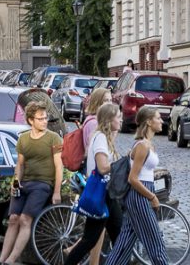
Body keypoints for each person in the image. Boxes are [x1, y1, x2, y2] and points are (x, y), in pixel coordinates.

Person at [0, 101, 63, 265]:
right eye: (40, 118)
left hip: (42, 184)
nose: (44, 121)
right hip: (24, 183)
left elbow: (59, 165)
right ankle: (1, 259)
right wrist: (15, 182)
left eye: (45, 118)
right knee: (13, 219)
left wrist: (56, 191)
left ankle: (11, 260)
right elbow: (20, 164)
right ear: (30, 120)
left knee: (25, 220)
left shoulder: (53, 137)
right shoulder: (24, 139)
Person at [104, 106, 169, 265]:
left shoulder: (147, 144)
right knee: (155, 241)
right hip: (139, 196)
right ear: (148, 121)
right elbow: (133, 178)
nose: (161, 121)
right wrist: (152, 196)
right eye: (158, 117)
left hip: (141, 194)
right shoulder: (142, 146)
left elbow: (142, 173)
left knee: (124, 243)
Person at [64, 102, 124, 265]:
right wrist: (123, 165)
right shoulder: (100, 139)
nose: (121, 120)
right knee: (89, 240)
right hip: (101, 194)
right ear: (109, 120)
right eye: (118, 117)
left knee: (119, 238)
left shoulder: (104, 137)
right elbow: (103, 167)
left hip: (108, 194)